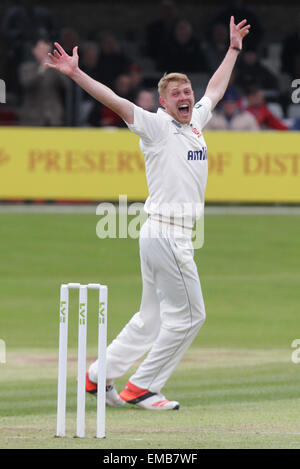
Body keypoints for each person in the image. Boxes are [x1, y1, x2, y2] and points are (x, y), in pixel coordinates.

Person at [46, 16, 250, 410]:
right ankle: (142, 386)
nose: (185, 96)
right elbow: (114, 100)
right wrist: (76, 74)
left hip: (160, 235)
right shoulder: (156, 127)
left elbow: (216, 89)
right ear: (163, 102)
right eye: (176, 93)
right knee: (191, 317)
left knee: (151, 319)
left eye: (187, 90)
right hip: (167, 235)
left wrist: (233, 48)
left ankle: (95, 377)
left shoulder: (196, 125)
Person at [19, 37, 66, 126]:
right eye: (41, 50)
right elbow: (26, 84)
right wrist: (41, 70)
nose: (44, 53)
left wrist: (57, 68)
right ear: (34, 50)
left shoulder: (54, 68)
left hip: (53, 117)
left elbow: (65, 85)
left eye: (47, 50)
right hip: (32, 118)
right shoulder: (26, 67)